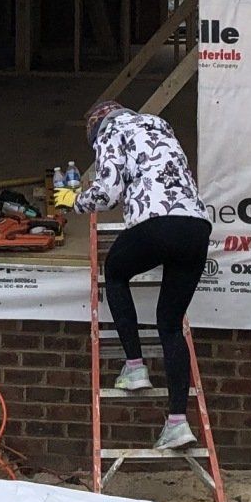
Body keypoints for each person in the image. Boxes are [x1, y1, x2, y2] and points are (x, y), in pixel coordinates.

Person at [76, 96, 212, 454]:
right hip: (195, 227)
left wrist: (74, 201)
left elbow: (107, 192)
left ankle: (134, 366)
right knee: (169, 324)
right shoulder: (159, 125)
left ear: (96, 125)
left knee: (116, 271)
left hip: (155, 223)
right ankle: (177, 422)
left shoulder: (110, 132)